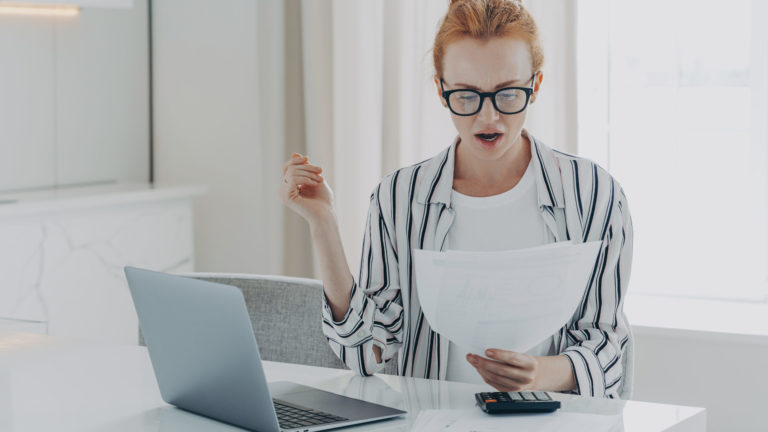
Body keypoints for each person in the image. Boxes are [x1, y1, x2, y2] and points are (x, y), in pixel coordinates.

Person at [279, 0, 633, 399]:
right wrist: (323, 223)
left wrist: (536, 374)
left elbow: (606, 348)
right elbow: (365, 354)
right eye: (466, 95)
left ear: (535, 86)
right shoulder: (399, 198)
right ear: (440, 89)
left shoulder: (594, 194)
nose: (488, 118)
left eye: (507, 93)